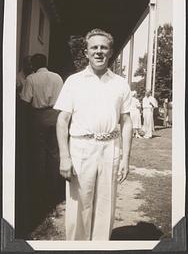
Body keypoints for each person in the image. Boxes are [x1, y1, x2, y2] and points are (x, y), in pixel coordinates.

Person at [54, 28, 133, 240]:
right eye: (94, 47)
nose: (99, 51)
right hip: (81, 149)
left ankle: (100, 246)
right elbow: (62, 121)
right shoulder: (74, 81)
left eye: (103, 47)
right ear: (87, 53)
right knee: (79, 204)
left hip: (111, 148)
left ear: (110, 52)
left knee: (106, 203)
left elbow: (126, 121)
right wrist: (64, 156)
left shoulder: (120, 83)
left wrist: (126, 158)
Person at [20, 53, 63, 221]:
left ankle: (40, 185)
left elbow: (25, 101)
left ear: (33, 64)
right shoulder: (57, 77)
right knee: (54, 151)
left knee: (39, 150)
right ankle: (53, 184)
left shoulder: (31, 79)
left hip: (38, 115)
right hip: (55, 115)